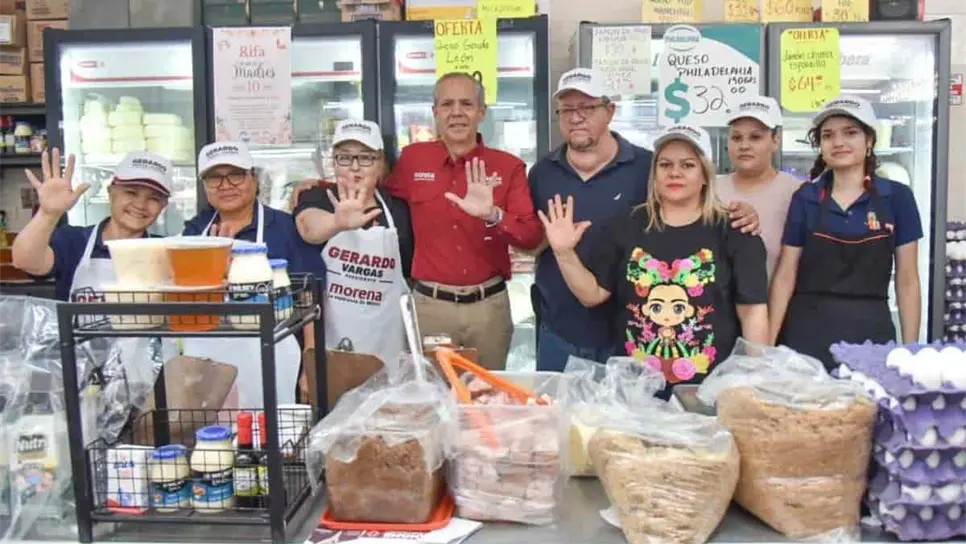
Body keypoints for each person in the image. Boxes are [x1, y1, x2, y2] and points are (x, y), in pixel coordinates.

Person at [529, 68, 763, 372]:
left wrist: (758, 376)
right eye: (568, 109)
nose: (674, 172)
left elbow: (753, 310)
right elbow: (534, 244)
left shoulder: (730, 229)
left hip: (690, 370)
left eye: (587, 107)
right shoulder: (544, 175)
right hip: (577, 339)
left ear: (609, 111)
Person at [384, 71, 543, 370]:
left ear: (481, 112)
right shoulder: (413, 159)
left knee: (487, 398)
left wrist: (493, 215)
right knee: (433, 400)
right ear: (435, 113)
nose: (456, 113)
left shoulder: (508, 167)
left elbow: (530, 237)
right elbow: (374, 194)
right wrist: (317, 188)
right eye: (447, 104)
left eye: (467, 104)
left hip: (489, 310)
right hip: (430, 308)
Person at [769, 95, 923, 368]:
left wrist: (910, 351)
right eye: (828, 136)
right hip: (807, 333)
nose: (838, 142)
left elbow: (908, 279)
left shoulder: (897, 197)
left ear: (870, 141)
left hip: (870, 335)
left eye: (850, 133)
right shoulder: (806, 197)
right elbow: (786, 274)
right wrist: (767, 349)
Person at [181, 141, 327, 409]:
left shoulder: (285, 228)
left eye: (235, 175)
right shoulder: (195, 232)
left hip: (275, 359)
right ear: (204, 186)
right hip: (210, 364)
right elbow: (186, 302)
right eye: (214, 177)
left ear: (254, 178)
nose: (225, 185)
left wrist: (311, 366)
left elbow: (310, 298)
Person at [292, 119, 414, 367]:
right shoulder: (316, 196)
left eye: (366, 157)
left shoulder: (398, 210)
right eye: (345, 158)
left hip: (387, 349)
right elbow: (308, 228)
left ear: (380, 164)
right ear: (334, 162)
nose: (355, 167)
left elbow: (408, 278)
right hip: (332, 348)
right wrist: (338, 222)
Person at [12, 148, 171, 301]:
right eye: (131, 192)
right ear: (111, 192)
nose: (140, 205)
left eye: (154, 199)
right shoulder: (72, 241)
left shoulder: (167, 252)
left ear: (163, 205)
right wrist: (48, 214)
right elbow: (26, 261)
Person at [717, 96, 802, 281]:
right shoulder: (710, 192)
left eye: (755, 137)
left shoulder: (798, 193)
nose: (744, 146)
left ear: (775, 141)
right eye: (736, 137)